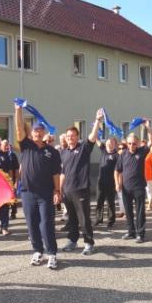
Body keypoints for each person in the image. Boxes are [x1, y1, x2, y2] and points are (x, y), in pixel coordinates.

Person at [15, 104, 61, 269]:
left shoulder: (52, 152)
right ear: (32, 133)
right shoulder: (26, 145)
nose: (38, 133)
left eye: (41, 131)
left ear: (44, 133)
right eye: (35, 131)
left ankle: (52, 254)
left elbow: (56, 173)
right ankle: (37, 251)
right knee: (31, 223)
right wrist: (18, 110)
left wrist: (57, 190)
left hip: (45, 193)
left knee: (46, 223)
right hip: (27, 192)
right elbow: (19, 129)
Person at [60, 109, 103, 255]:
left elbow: (92, 137)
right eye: (68, 136)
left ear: (77, 136)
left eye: (73, 135)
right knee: (71, 219)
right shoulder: (64, 152)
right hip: (67, 191)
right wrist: (59, 190)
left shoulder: (83, 148)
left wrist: (97, 121)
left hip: (81, 190)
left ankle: (89, 243)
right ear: (65, 138)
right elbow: (63, 173)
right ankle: (72, 241)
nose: (70, 138)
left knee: (83, 219)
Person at [115, 121, 152, 244]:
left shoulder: (141, 152)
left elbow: (151, 141)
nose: (132, 145)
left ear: (137, 143)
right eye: (129, 143)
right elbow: (117, 170)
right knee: (128, 211)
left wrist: (148, 128)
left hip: (139, 188)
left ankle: (140, 234)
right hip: (126, 188)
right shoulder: (122, 154)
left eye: (134, 143)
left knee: (140, 212)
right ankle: (131, 231)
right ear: (127, 143)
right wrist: (117, 183)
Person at [94, 137, 118, 227]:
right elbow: (97, 141)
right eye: (108, 143)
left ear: (114, 144)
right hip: (101, 181)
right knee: (99, 201)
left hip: (111, 182)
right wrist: (95, 132)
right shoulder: (103, 151)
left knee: (110, 202)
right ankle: (98, 219)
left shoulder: (117, 155)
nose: (109, 144)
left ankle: (111, 220)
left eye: (111, 143)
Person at [1, 140, 20, 220]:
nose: (6, 147)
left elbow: (16, 169)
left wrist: (16, 181)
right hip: (2, 181)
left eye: (7, 145)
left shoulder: (12, 155)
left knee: (13, 196)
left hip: (11, 179)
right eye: (4, 145)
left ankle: (13, 212)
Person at [116, 142, 126, 218]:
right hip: (118, 178)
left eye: (123, 148)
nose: (121, 150)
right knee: (120, 196)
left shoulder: (126, 156)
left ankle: (126, 212)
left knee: (126, 196)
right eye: (119, 148)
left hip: (126, 179)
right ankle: (122, 211)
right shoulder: (116, 157)